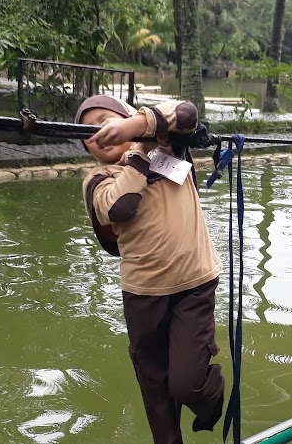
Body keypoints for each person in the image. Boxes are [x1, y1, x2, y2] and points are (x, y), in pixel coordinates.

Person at [76, 95, 224, 443]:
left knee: (187, 384)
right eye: (87, 131)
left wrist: (136, 131)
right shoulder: (97, 180)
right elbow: (120, 208)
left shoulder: (170, 150)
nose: (98, 132)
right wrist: (139, 156)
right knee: (155, 387)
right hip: (143, 294)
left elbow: (186, 112)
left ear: (128, 119)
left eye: (104, 121)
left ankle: (211, 400)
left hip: (194, 284)